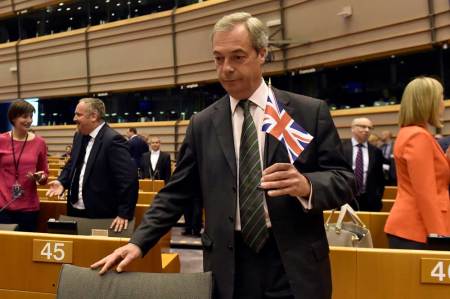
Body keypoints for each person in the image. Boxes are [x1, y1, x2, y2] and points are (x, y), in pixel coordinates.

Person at [91, 12, 355, 299]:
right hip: (229, 266)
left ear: (262, 54)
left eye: (237, 57)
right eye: (218, 58)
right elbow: (176, 192)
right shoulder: (203, 124)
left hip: (293, 263)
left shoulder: (307, 113)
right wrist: (139, 242)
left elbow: (343, 180)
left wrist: (307, 186)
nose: (226, 68)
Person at [46, 98, 138, 232]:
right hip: (75, 208)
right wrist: (62, 182)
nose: (74, 118)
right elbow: (73, 163)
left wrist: (124, 213)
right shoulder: (79, 136)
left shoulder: (113, 140)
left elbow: (128, 179)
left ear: (94, 116)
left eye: (79, 114)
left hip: (101, 214)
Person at [385, 77, 450, 249]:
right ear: (428, 102)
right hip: (418, 230)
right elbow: (426, 193)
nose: (443, 103)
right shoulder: (419, 136)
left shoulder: (411, 132)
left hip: (414, 228)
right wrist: (439, 236)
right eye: (441, 97)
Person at [0, 100, 49, 231]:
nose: (29, 120)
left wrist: (40, 177)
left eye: (31, 116)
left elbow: (44, 174)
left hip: (29, 208)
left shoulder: (40, 143)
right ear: (13, 118)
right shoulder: (1, 140)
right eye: (24, 116)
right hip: (3, 206)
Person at [342, 117, 385, 211]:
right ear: (352, 128)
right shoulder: (341, 148)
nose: (367, 130)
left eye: (370, 128)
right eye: (363, 126)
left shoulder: (376, 151)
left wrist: (378, 196)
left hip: (370, 201)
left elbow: (380, 178)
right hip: (345, 199)